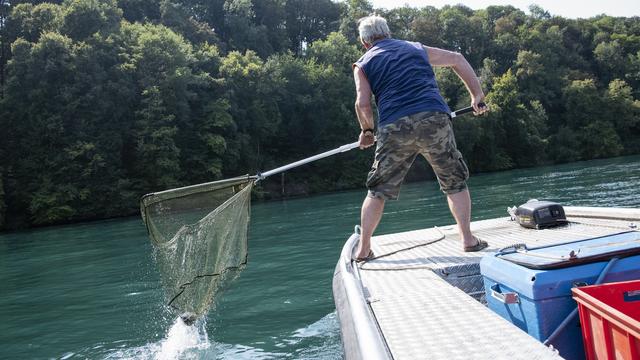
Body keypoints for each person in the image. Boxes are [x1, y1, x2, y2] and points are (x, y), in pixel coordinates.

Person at [352, 15, 489, 261]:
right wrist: (476, 95)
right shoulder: (415, 48)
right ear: (388, 33)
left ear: (364, 43)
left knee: (378, 190)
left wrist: (367, 132)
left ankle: (363, 249)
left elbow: (362, 103)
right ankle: (468, 240)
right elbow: (457, 59)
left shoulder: (363, 63)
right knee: (454, 181)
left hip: (394, 127)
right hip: (434, 119)